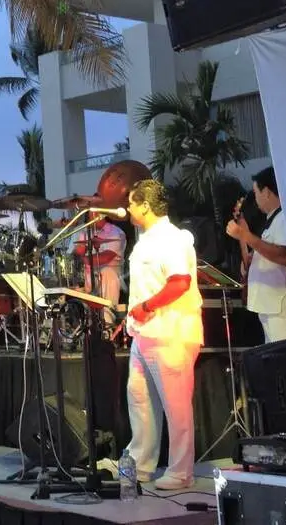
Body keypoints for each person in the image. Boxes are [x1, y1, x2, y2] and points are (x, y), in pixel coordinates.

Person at [227, 166, 286, 423]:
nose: (256, 199)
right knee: (282, 372)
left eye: (257, 192)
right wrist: (244, 236)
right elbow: (255, 260)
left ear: (268, 192)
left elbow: (284, 255)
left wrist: (246, 235)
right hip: (271, 307)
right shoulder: (272, 222)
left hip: (284, 305)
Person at [124, 179, 202, 490]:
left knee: (176, 404)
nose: (128, 208)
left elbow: (180, 281)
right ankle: (140, 463)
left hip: (170, 332)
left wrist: (146, 307)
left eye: (131, 202)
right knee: (139, 398)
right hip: (144, 332)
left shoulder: (172, 238)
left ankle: (181, 472)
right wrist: (135, 315)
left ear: (145, 205)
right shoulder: (145, 240)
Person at [72, 213, 127, 325]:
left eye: (91, 213)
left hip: (112, 278)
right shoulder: (86, 231)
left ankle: (107, 321)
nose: (88, 216)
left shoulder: (116, 232)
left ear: (100, 214)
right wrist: (80, 250)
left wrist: (83, 260)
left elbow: (105, 257)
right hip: (89, 278)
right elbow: (77, 253)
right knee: (72, 286)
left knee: (107, 272)